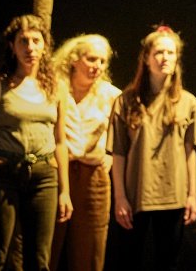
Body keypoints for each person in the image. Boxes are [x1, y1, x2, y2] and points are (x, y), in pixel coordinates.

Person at [0, 13, 74, 270]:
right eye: (23, 41)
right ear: (12, 47)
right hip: (5, 175)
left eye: (36, 41)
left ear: (45, 46)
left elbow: (60, 141)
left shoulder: (56, 87)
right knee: (1, 255)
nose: (30, 48)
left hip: (44, 176)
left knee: (41, 258)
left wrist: (65, 191)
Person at [107, 24, 196, 271]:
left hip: (173, 195)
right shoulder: (126, 101)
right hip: (136, 194)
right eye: (159, 52)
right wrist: (119, 198)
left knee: (168, 262)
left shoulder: (188, 102)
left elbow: (190, 152)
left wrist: (192, 195)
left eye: (170, 53)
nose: (165, 58)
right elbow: (118, 153)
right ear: (146, 58)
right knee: (129, 260)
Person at [49, 33, 122, 271]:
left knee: (90, 248)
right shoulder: (54, 88)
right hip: (58, 170)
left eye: (102, 61)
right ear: (74, 59)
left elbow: (123, 134)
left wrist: (109, 156)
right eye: (92, 59)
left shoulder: (111, 95)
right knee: (48, 242)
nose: (97, 66)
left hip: (93, 176)